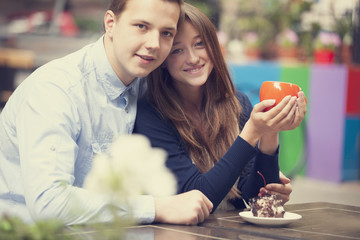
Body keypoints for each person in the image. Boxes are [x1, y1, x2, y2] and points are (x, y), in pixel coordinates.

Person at [0, 0, 213, 226]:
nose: (154, 44)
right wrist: (156, 206)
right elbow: (49, 202)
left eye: (167, 33)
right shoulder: (56, 90)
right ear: (110, 23)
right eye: (141, 26)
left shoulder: (146, 85)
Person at [134, 3, 307, 211]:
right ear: (163, 59)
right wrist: (252, 132)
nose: (193, 58)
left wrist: (270, 131)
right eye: (177, 50)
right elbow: (197, 197)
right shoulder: (150, 115)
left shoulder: (236, 104)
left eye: (200, 44)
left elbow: (256, 200)